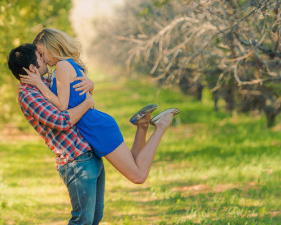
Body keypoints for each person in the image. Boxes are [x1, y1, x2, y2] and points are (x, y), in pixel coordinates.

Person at [20, 28, 180, 185]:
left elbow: (62, 106)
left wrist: (39, 84)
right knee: (133, 161)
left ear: (52, 47)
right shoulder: (68, 66)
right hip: (96, 124)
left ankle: (161, 125)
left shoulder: (62, 66)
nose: (41, 58)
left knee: (138, 177)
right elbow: (80, 96)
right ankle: (142, 125)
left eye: (42, 53)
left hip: (95, 128)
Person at [8, 43, 104, 225]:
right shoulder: (28, 95)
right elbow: (62, 121)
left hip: (88, 153)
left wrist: (90, 84)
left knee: (92, 218)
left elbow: (73, 76)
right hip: (74, 160)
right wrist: (88, 103)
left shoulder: (44, 82)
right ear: (31, 68)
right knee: (81, 219)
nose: (46, 59)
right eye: (41, 57)